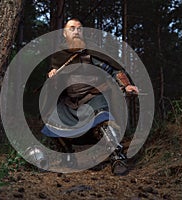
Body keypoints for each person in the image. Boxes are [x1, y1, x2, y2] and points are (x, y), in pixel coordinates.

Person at [41, 18, 138, 175]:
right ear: (65, 34)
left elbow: (113, 70)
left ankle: (117, 157)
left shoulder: (92, 53)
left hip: (93, 98)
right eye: (72, 28)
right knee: (53, 123)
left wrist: (126, 85)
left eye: (79, 29)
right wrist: (52, 77)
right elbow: (54, 87)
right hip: (70, 102)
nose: (76, 31)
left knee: (103, 121)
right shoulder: (59, 57)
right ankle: (68, 157)